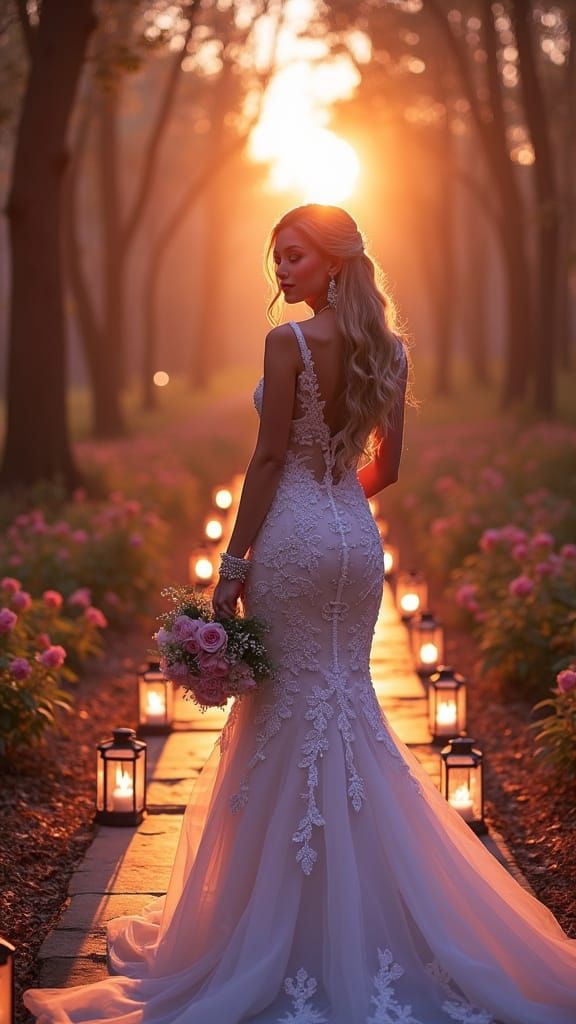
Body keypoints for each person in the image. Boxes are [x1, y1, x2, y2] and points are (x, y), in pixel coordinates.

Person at [24, 204, 576, 1023]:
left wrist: (236, 564)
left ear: (334, 264)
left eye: (295, 257)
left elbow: (271, 453)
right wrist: (334, 512)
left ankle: (279, 926)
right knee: (346, 706)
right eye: (276, 258)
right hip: (355, 543)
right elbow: (388, 468)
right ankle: (375, 917)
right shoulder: (386, 348)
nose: (281, 271)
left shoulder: (289, 344)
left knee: (283, 709)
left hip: (290, 538)